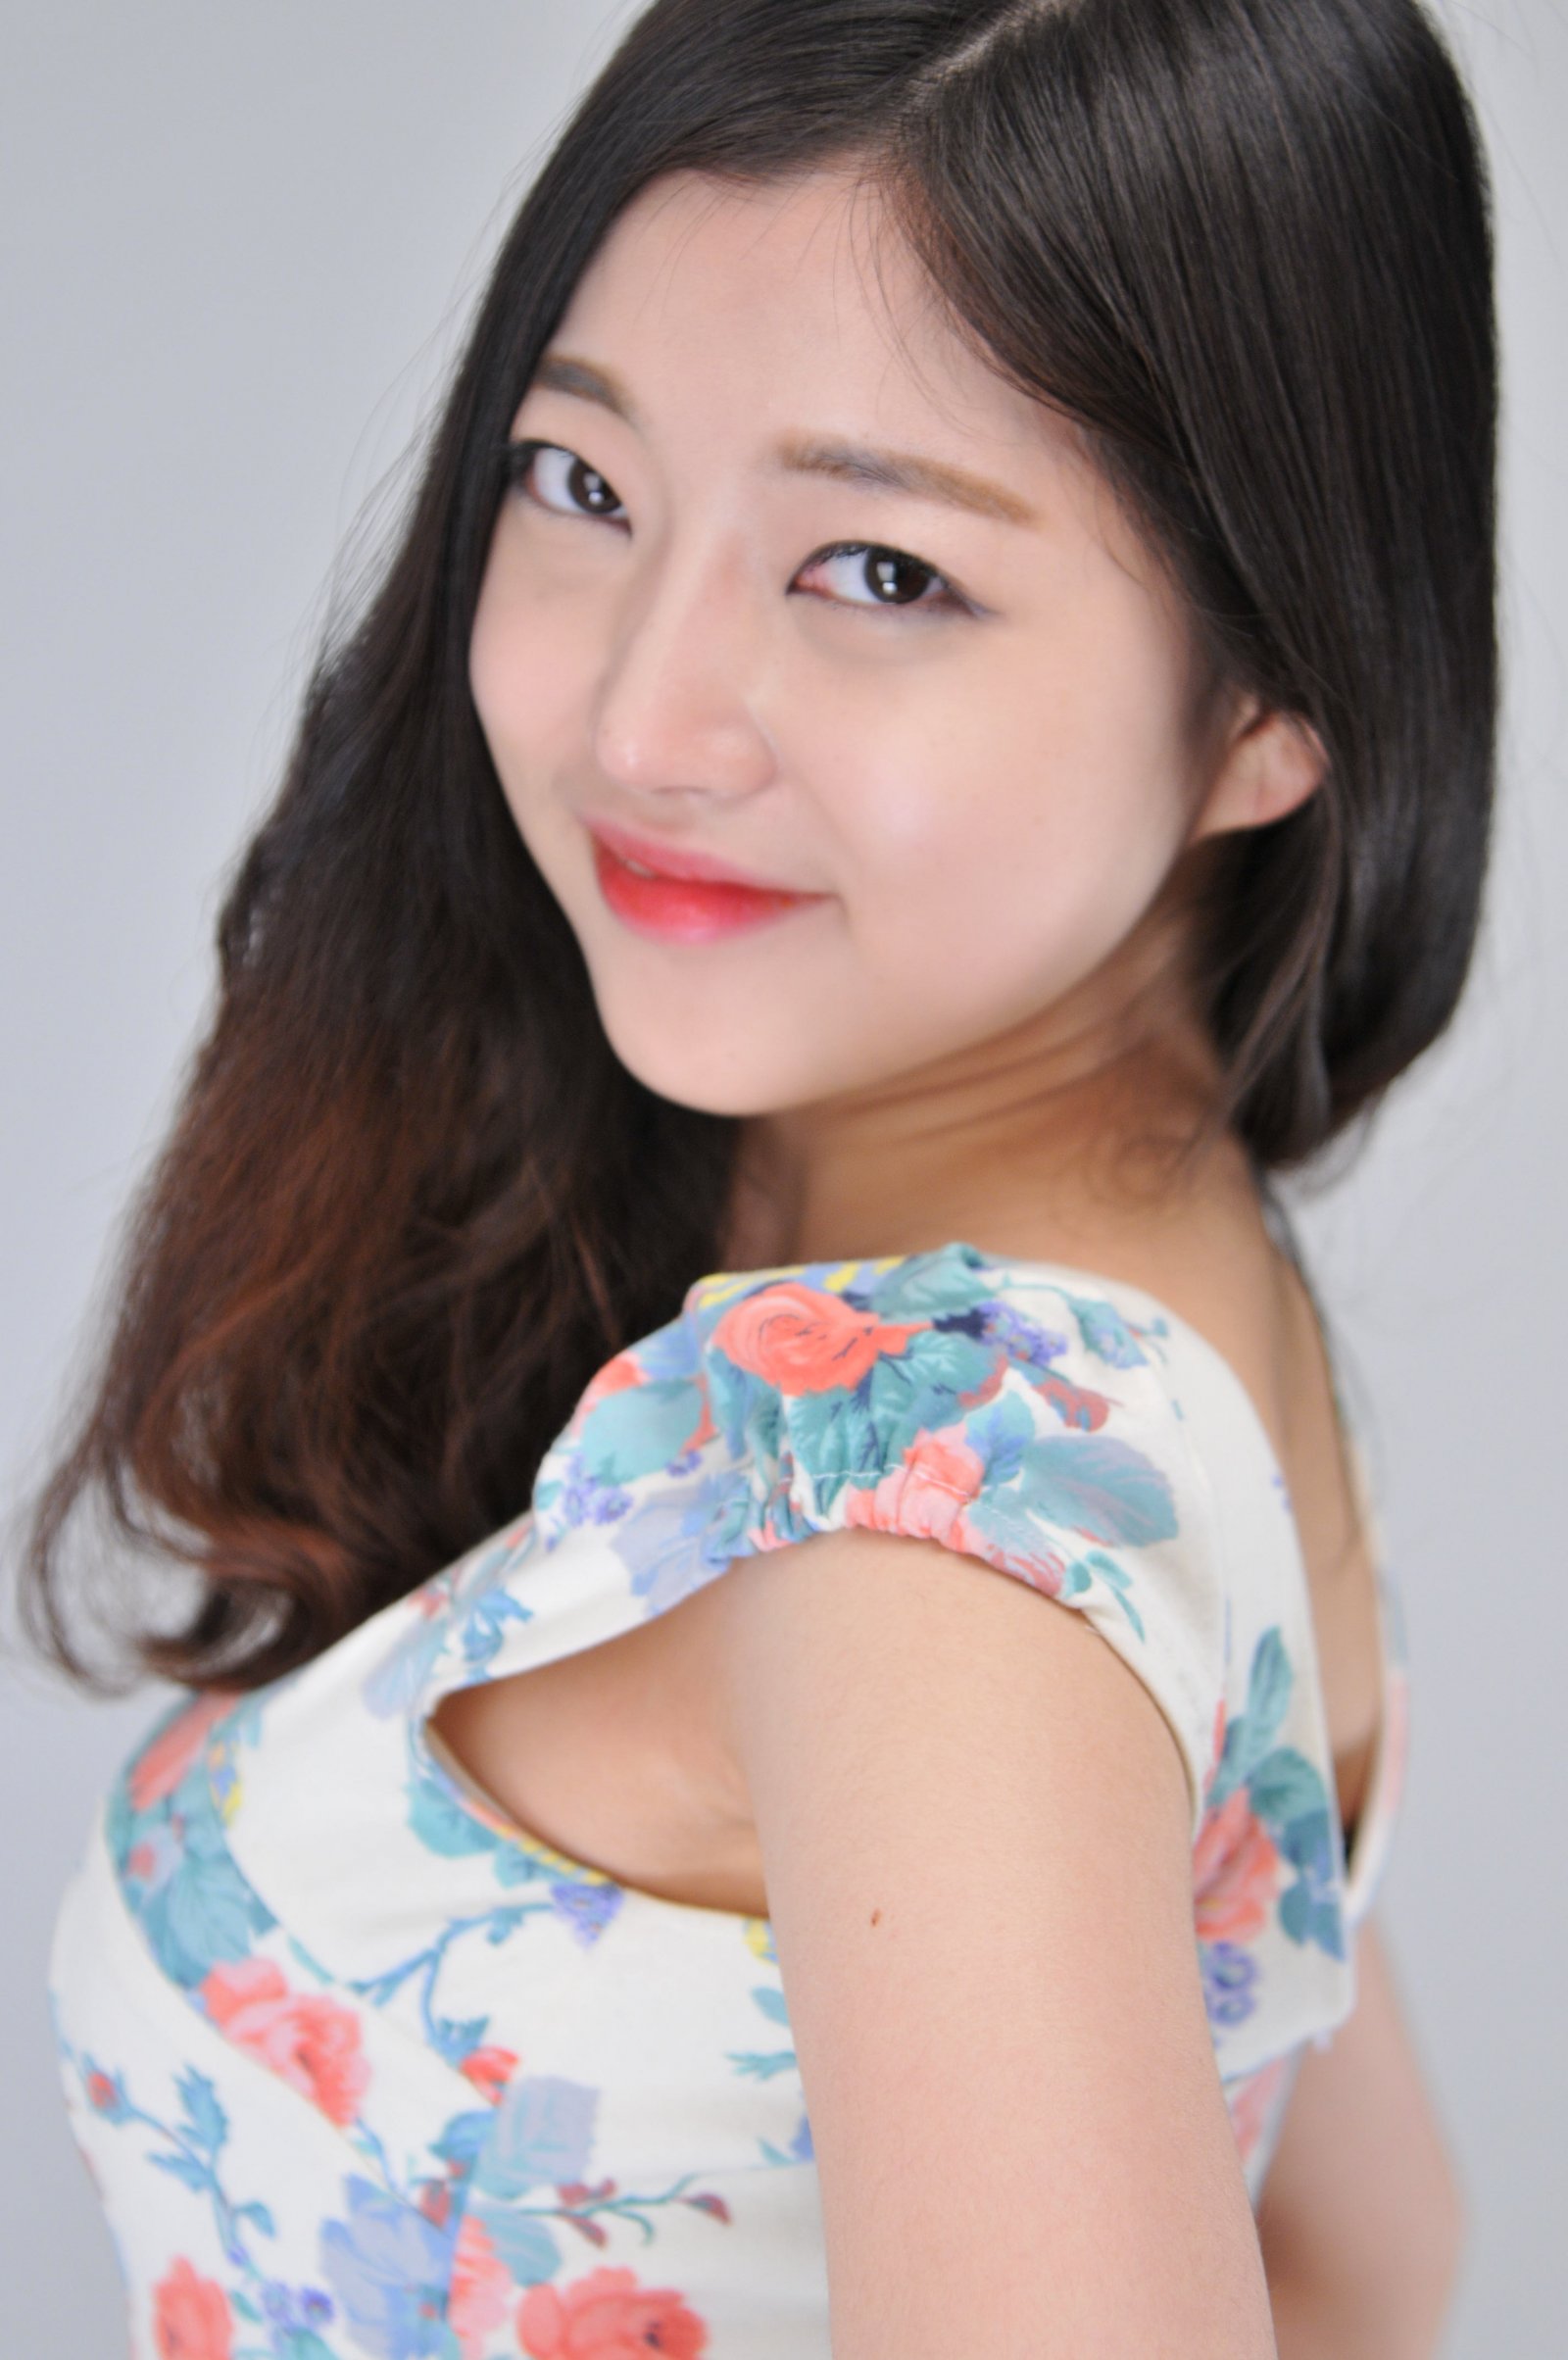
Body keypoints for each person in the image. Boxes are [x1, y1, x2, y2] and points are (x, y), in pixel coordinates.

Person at [30, 0, 1494, 2351]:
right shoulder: (1114, 1289)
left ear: (1263, 700)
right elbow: (1355, 2251)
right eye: (580, 481)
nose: (639, 719)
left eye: (879, 573)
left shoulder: (926, 1521)